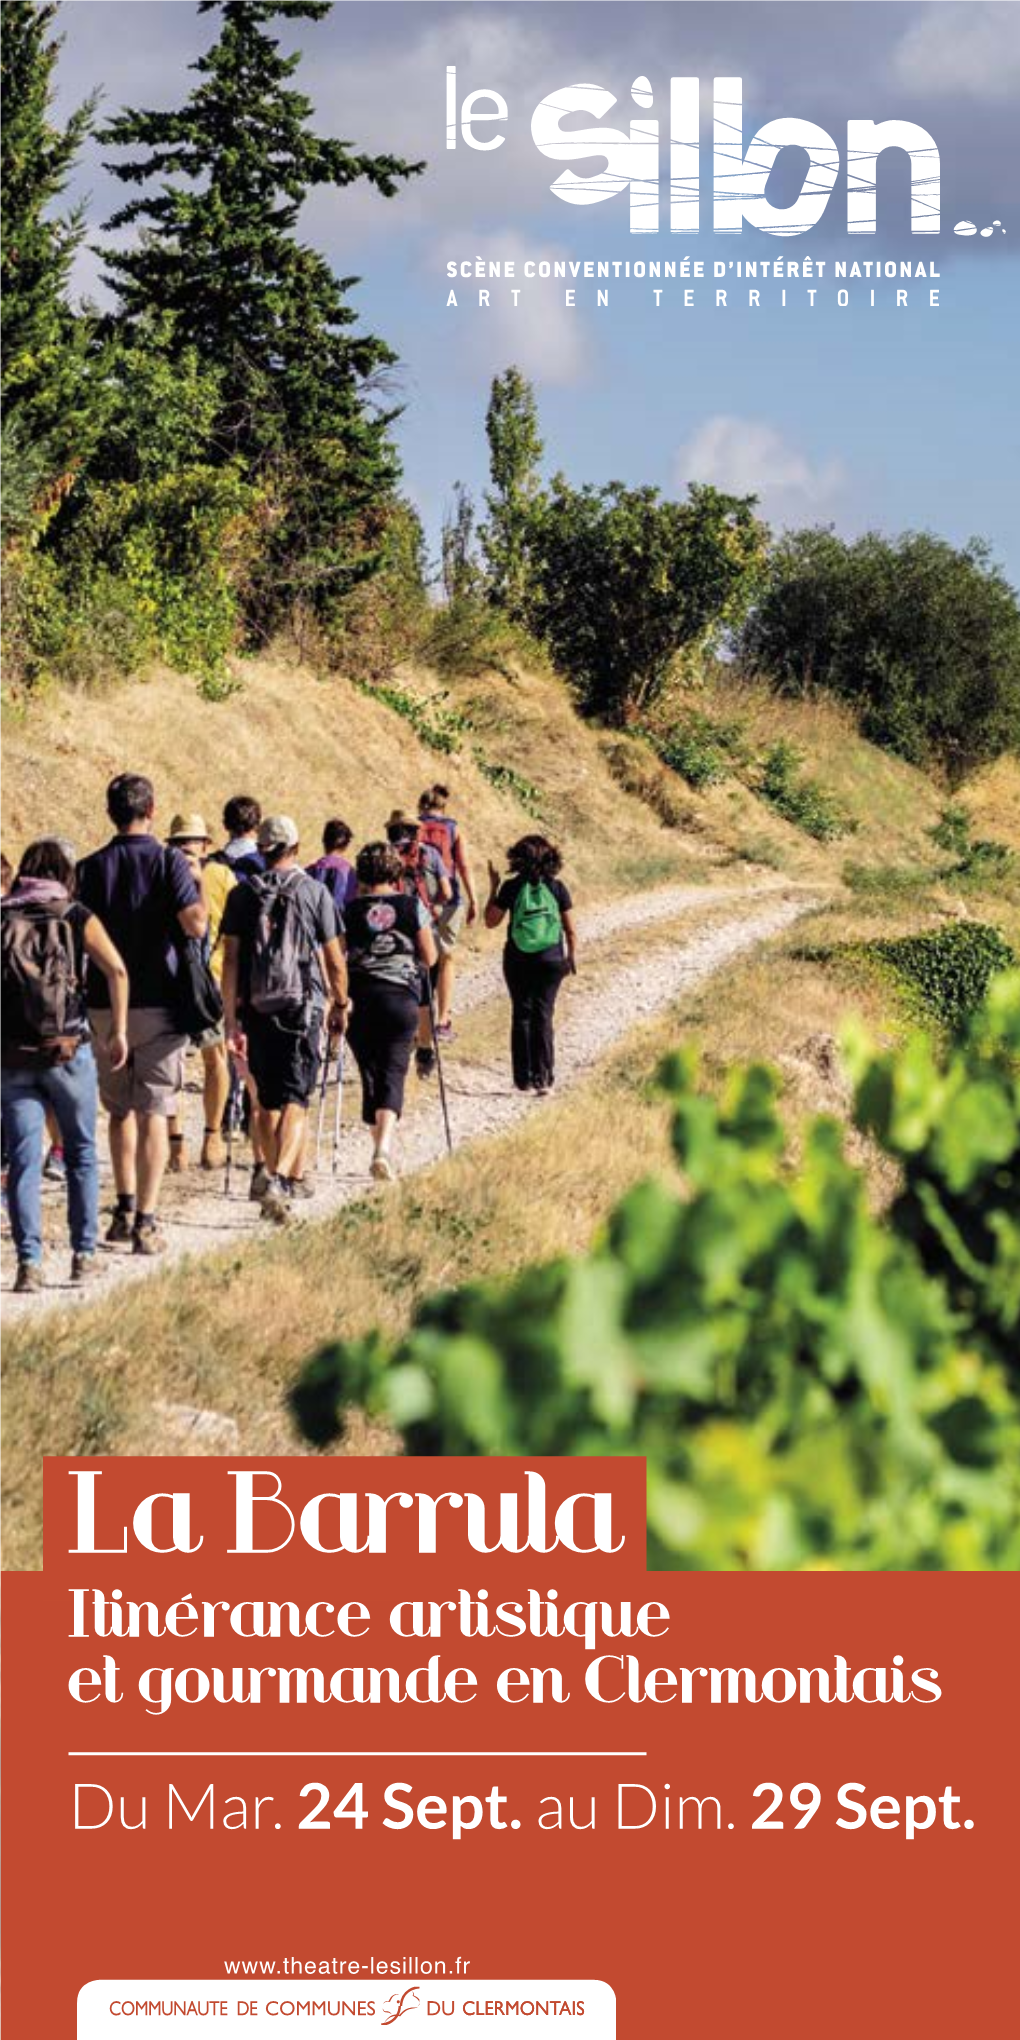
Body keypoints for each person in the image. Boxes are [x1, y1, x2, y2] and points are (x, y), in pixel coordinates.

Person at [77, 773, 207, 1255]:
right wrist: (200, 887)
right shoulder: (169, 862)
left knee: (118, 1111)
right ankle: (147, 1221)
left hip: (104, 1004)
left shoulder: (88, 868)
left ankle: (123, 1207)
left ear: (111, 812)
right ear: (151, 810)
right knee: (155, 1109)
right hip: (160, 999)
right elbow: (194, 927)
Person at [2, 838, 129, 1292]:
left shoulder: (3, 916)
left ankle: (28, 1264)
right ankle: (84, 1254)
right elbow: (116, 970)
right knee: (79, 1152)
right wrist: (117, 1031)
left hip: (12, 1055)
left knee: (23, 1160)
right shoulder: (76, 915)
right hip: (69, 1049)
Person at [220, 815, 348, 1224]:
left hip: (258, 1007)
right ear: (296, 846)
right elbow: (334, 959)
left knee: (268, 1101)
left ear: (261, 849)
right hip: (302, 1007)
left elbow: (232, 961)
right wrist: (340, 1003)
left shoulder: (243, 895)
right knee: (297, 1098)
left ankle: (276, 1183)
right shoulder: (313, 892)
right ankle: (278, 1181)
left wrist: (230, 1019)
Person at [345, 842, 438, 1181]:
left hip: (361, 999)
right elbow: (430, 957)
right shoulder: (412, 906)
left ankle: (380, 1147)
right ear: (396, 873)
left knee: (371, 1075)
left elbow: (338, 958)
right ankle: (382, 1149)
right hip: (400, 998)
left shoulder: (349, 911)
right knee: (394, 1071)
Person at [485, 834, 577, 1097]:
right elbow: (570, 929)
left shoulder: (512, 888)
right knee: (544, 1015)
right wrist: (570, 958)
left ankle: (523, 1080)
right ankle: (544, 1079)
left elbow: (491, 921)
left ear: (518, 858)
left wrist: (493, 887)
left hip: (518, 958)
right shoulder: (557, 887)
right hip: (551, 959)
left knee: (521, 1014)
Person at [164, 814, 231, 1173]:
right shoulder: (167, 873)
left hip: (193, 978)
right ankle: (192, 1139)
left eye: (190, 843)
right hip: (190, 979)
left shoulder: (217, 875)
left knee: (200, 1060)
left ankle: (198, 1140)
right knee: (190, 1062)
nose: (188, 849)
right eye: (182, 844)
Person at [385, 809, 451, 1081]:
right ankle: (424, 1049)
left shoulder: (383, 854)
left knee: (395, 986)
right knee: (424, 990)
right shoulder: (430, 854)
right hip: (421, 927)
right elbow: (447, 892)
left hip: (392, 929)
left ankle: (398, 1046)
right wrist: (430, 909)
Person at [417, 783, 478, 1037]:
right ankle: (442, 1020)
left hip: (419, 901)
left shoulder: (413, 827)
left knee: (420, 958)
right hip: (449, 901)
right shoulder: (453, 829)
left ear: (421, 805)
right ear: (444, 806)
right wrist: (474, 900)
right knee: (446, 957)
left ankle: (419, 1022)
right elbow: (463, 865)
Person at [307, 819, 358, 913]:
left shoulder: (308, 872)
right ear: (346, 845)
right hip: (343, 925)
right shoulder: (352, 874)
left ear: (323, 841)